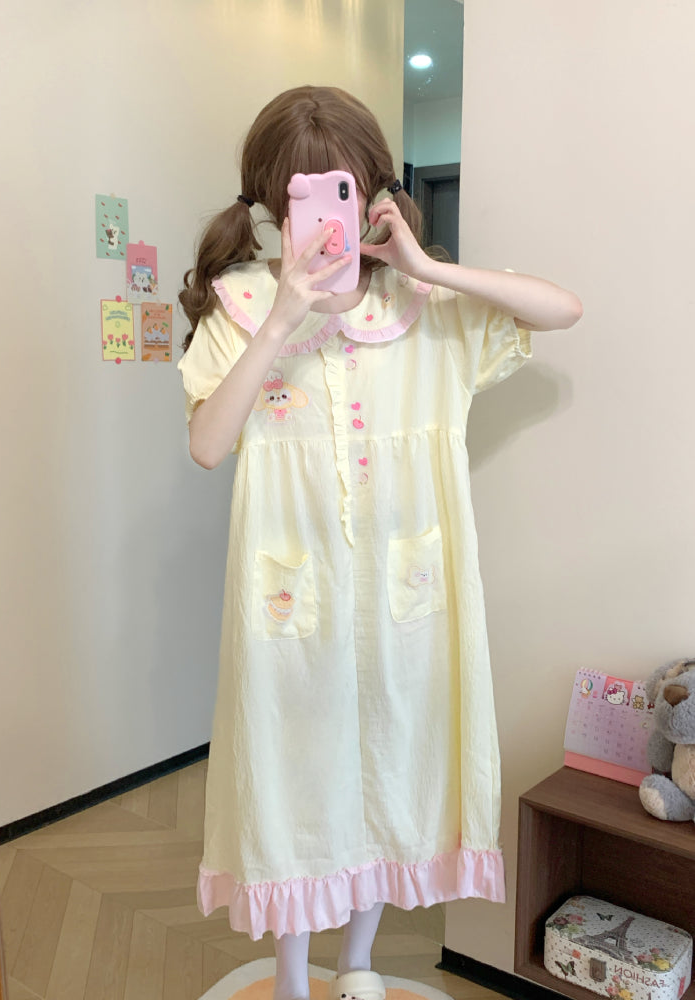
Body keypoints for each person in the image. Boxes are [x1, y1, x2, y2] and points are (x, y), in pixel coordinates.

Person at [177, 85, 582, 1000]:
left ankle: (356, 964)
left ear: (372, 190)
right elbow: (207, 444)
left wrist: (431, 267)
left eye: (342, 190)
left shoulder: (422, 306)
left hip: (411, 610)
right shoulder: (242, 306)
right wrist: (282, 319)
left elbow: (563, 309)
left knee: (397, 769)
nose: (324, 216)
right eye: (301, 196)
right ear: (270, 203)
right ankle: (292, 973)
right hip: (290, 612)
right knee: (293, 784)